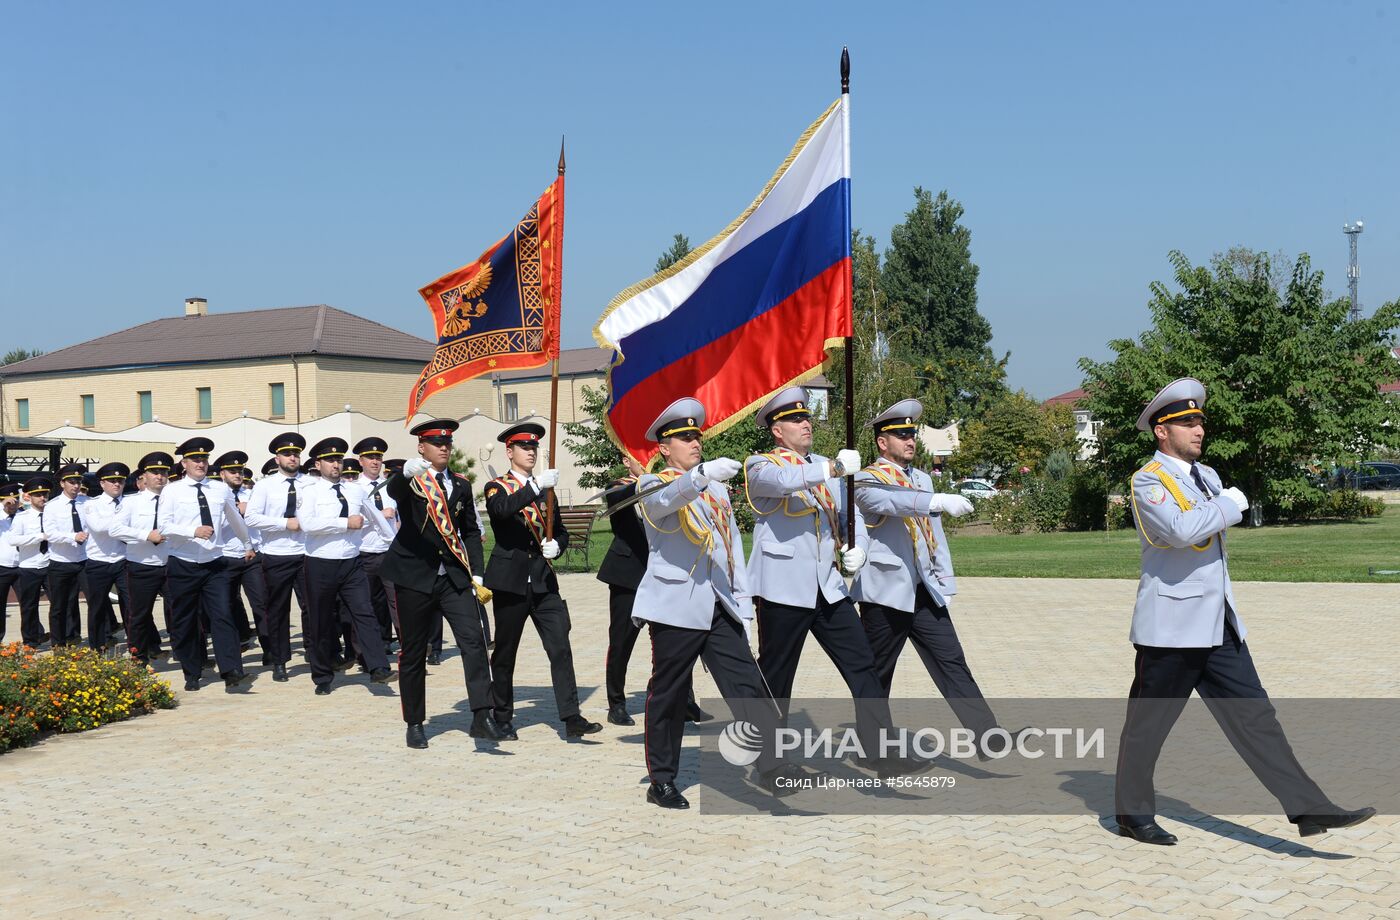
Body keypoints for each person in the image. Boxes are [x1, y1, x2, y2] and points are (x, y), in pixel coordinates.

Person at [1113, 378, 1374, 845]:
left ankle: (1309, 808)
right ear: (1161, 431)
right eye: (1187, 423)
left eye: (1199, 421)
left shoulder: (1207, 476)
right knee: (1148, 726)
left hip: (1218, 622)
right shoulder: (1149, 480)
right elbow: (1178, 531)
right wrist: (1230, 504)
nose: (1198, 430)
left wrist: (1220, 499)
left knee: (1256, 715)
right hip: (1171, 628)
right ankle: (1132, 814)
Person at [632, 398, 802, 808]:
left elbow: (731, 551)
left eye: (696, 436)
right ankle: (662, 780)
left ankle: (772, 765)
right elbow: (662, 504)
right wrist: (699, 477)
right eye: (684, 438)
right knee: (669, 695)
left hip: (718, 604)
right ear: (663, 448)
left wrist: (742, 606)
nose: (694, 443)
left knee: (749, 687)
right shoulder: (652, 484)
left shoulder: (717, 489)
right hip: (675, 608)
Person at [743, 386, 900, 768]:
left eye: (806, 417)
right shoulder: (760, 465)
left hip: (827, 588)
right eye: (795, 419)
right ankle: (768, 760)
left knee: (863, 664)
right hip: (782, 590)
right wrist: (832, 469)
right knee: (777, 678)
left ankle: (878, 751)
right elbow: (782, 484)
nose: (805, 423)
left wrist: (856, 546)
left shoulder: (828, 466)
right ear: (777, 430)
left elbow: (851, 515)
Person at [851, 400, 1013, 758]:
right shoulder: (865, 479)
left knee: (952, 661)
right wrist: (935, 499)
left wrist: (946, 582)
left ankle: (987, 735)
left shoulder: (922, 478)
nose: (910, 441)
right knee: (878, 673)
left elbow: (933, 537)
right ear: (882, 442)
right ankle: (874, 747)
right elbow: (892, 504)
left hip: (924, 590)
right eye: (901, 435)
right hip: (885, 594)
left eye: (912, 434)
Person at [381, 418, 499, 747]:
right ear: (422, 447)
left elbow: (471, 531)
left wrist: (476, 572)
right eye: (436, 443)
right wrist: (404, 473)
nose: (444, 447)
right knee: (414, 652)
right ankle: (415, 722)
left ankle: (481, 715)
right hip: (414, 577)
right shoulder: (413, 481)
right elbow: (394, 492)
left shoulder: (460, 485)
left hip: (453, 577)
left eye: (447, 443)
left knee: (474, 642)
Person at [482, 422, 600, 740]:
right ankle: (502, 715)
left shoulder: (545, 489)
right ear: (510, 452)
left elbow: (559, 529)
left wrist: (558, 545)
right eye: (524, 447)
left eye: (534, 447)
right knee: (506, 651)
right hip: (511, 581)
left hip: (544, 581)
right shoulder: (498, 486)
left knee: (560, 646)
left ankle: (571, 716)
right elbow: (502, 511)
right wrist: (535, 488)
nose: (531, 451)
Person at [596, 454, 710, 727]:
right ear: (626, 460)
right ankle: (617, 703)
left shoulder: (669, 484)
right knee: (622, 640)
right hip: (629, 575)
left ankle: (683, 700)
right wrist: (644, 482)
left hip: (666, 572)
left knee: (677, 638)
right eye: (639, 455)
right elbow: (616, 499)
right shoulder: (620, 485)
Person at [299, 437, 397, 694]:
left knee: (364, 612)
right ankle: (322, 676)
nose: (336, 464)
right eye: (330, 460)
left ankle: (378, 667)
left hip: (351, 562)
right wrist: (344, 523)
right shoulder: (309, 491)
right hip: (321, 563)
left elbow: (377, 520)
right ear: (318, 464)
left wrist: (395, 544)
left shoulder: (355, 490)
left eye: (339, 459)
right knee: (321, 620)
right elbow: (308, 524)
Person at [159, 438, 254, 692]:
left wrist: (247, 544)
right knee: (186, 620)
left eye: (204, 459)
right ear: (184, 463)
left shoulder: (219, 489)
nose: (200, 463)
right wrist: (193, 531)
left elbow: (235, 519)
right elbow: (164, 526)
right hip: (184, 563)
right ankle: (192, 671)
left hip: (215, 564)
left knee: (223, 614)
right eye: (195, 460)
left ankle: (232, 670)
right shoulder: (172, 490)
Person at [244, 433, 307, 682]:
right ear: (277, 458)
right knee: (278, 611)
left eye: (296, 454)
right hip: (276, 555)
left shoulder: (310, 483)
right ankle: (280, 660)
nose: (292, 457)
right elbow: (252, 518)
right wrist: (284, 524)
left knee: (312, 609)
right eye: (287, 454)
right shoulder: (265, 486)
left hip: (305, 554)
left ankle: (318, 654)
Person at [112, 453, 173, 664]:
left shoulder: (176, 500)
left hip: (172, 564)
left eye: (164, 472)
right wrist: (146, 535)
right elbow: (115, 529)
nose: (160, 477)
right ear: (143, 477)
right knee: (139, 615)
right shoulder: (131, 503)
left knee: (183, 612)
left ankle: (193, 657)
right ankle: (139, 657)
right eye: (155, 472)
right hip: (142, 565)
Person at [214, 451, 266, 655]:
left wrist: (249, 508)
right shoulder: (216, 497)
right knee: (227, 605)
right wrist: (234, 510)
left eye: (240, 471)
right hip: (226, 556)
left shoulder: (251, 496)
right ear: (222, 474)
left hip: (252, 556)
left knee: (261, 604)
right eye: (232, 471)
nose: (237, 474)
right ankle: (236, 644)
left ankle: (270, 650)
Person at [352, 437, 399, 657]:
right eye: (370, 458)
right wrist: (378, 516)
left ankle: (407, 648)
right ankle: (363, 651)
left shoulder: (391, 487)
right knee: (366, 604)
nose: (375, 462)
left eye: (378, 458)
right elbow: (351, 520)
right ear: (360, 461)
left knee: (396, 602)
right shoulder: (352, 488)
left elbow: (398, 517)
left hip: (389, 552)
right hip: (365, 552)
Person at [82, 462, 132, 652]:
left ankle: (135, 646)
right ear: (102, 484)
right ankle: (97, 647)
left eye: (120, 481)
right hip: (99, 561)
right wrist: (126, 523)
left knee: (130, 607)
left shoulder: (130, 502)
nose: (116, 484)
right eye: (112, 481)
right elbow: (99, 527)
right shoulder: (91, 504)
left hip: (123, 560)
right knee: (97, 607)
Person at [43, 464, 89, 646]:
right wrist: (73, 536)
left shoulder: (87, 503)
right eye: (71, 482)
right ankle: (58, 644)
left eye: (78, 482)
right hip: (61, 562)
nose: (76, 486)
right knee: (59, 606)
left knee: (92, 601)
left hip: (83, 560)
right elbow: (50, 533)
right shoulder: (53, 506)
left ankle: (77, 637)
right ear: (62, 483)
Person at [6, 477, 53, 648]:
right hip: (29, 566)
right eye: (38, 495)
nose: (42, 498)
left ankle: (58, 639)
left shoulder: (53, 514)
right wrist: (39, 536)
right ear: (30, 497)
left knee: (58, 605)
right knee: (28, 607)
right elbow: (13, 540)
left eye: (45, 494)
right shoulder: (22, 517)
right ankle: (30, 642)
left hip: (49, 565)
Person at [0, 482, 23, 644]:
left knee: (28, 603)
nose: (12, 505)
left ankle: (35, 634)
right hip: (2, 566)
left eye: (15, 501)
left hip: (22, 566)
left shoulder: (23, 515)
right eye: (9, 502)